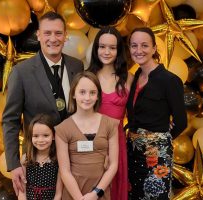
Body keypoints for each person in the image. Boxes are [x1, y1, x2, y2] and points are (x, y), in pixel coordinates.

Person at [2, 11, 84, 196]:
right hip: (37, 162)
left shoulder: (77, 66)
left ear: (65, 35)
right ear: (38, 35)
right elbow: (10, 120)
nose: (53, 39)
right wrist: (14, 164)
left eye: (58, 33)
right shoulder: (21, 72)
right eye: (47, 33)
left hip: (73, 158)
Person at [126, 27, 187, 200]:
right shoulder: (135, 77)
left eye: (144, 45)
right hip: (132, 151)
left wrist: (158, 141)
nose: (139, 50)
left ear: (154, 48)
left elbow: (181, 122)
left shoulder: (170, 80)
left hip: (157, 156)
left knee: (155, 195)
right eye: (134, 46)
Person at [55, 71, 119, 200]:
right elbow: (64, 171)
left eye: (92, 93)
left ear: (98, 96)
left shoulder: (110, 125)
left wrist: (96, 193)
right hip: (74, 194)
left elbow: (113, 165)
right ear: (73, 94)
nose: (87, 98)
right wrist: (80, 198)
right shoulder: (63, 129)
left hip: (100, 192)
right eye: (82, 92)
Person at [87, 27, 133, 200]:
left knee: (114, 191)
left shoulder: (128, 78)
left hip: (117, 143)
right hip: (91, 142)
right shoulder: (87, 76)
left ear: (118, 51)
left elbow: (137, 114)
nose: (106, 52)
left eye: (112, 48)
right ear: (96, 48)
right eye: (102, 46)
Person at [18, 114, 62, 200]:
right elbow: (22, 192)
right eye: (36, 136)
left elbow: (58, 194)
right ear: (31, 137)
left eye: (45, 135)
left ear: (53, 136)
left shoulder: (58, 160)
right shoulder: (25, 159)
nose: (40, 140)